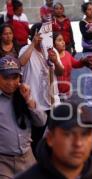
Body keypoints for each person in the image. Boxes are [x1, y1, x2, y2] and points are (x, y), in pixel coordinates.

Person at [0, 55, 47, 179]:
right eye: (5, 78)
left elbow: (41, 121)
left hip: (27, 157)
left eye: (14, 78)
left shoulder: (24, 95)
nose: (10, 82)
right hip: (3, 161)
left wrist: (29, 100)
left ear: (20, 78)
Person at [18, 24, 64, 157]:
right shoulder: (26, 49)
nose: (43, 39)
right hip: (35, 103)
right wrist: (33, 44)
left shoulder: (52, 51)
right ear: (34, 36)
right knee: (36, 137)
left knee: (57, 135)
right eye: (41, 36)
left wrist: (55, 61)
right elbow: (21, 62)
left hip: (52, 101)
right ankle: (34, 163)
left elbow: (60, 72)